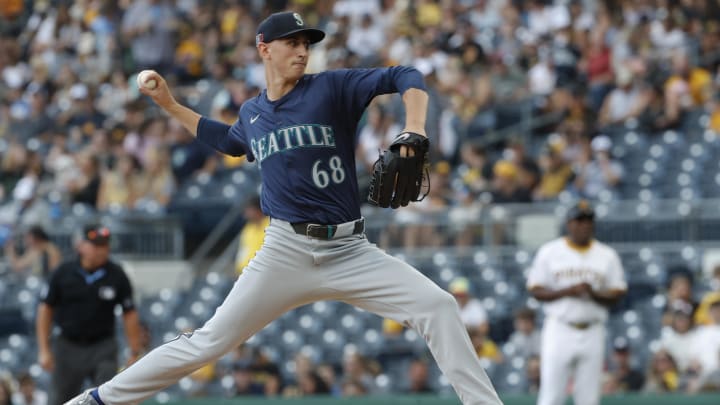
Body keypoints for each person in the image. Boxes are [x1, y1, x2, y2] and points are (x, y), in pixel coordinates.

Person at [64, 11, 503, 405]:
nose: (301, 51)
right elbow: (229, 142)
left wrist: (414, 130)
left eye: (305, 43)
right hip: (285, 251)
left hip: (350, 249)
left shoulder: (331, 88)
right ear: (264, 48)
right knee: (209, 341)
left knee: (439, 306)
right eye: (292, 42)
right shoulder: (254, 113)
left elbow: (406, 74)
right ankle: (98, 400)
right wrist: (170, 105)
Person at [526, 200, 627, 405]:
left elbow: (617, 293)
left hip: (593, 329)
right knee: (552, 396)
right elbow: (535, 290)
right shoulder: (550, 251)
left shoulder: (607, 255)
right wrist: (568, 291)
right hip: (559, 328)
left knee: (589, 398)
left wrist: (593, 293)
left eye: (588, 220)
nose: (584, 225)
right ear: (569, 223)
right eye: (579, 220)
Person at [36, 224, 143, 405]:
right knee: (60, 400)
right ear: (81, 245)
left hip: (103, 347)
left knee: (108, 397)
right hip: (68, 346)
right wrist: (44, 350)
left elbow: (129, 314)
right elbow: (45, 309)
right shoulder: (63, 272)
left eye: (105, 245)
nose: (102, 250)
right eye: (96, 245)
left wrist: (134, 351)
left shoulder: (116, 275)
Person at [234, 195, 269, 275]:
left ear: (257, 209)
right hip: (246, 274)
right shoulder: (248, 229)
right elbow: (243, 251)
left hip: (265, 273)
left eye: (248, 210)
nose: (245, 214)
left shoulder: (272, 225)